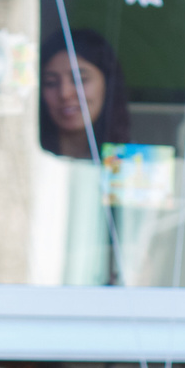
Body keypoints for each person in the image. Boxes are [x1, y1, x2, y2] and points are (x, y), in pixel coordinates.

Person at [34, 30, 131, 286]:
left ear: (107, 83)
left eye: (80, 79)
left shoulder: (131, 165)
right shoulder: (33, 162)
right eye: (51, 82)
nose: (65, 93)